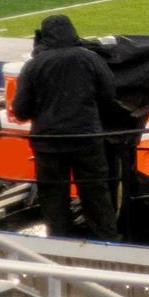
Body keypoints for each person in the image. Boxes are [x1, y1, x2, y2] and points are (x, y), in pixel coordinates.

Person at [10, 14, 121, 241]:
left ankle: (59, 247)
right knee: (95, 194)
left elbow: (21, 109)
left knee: (53, 198)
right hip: (86, 140)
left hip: (48, 144)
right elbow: (110, 96)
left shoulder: (34, 65)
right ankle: (108, 244)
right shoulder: (90, 59)